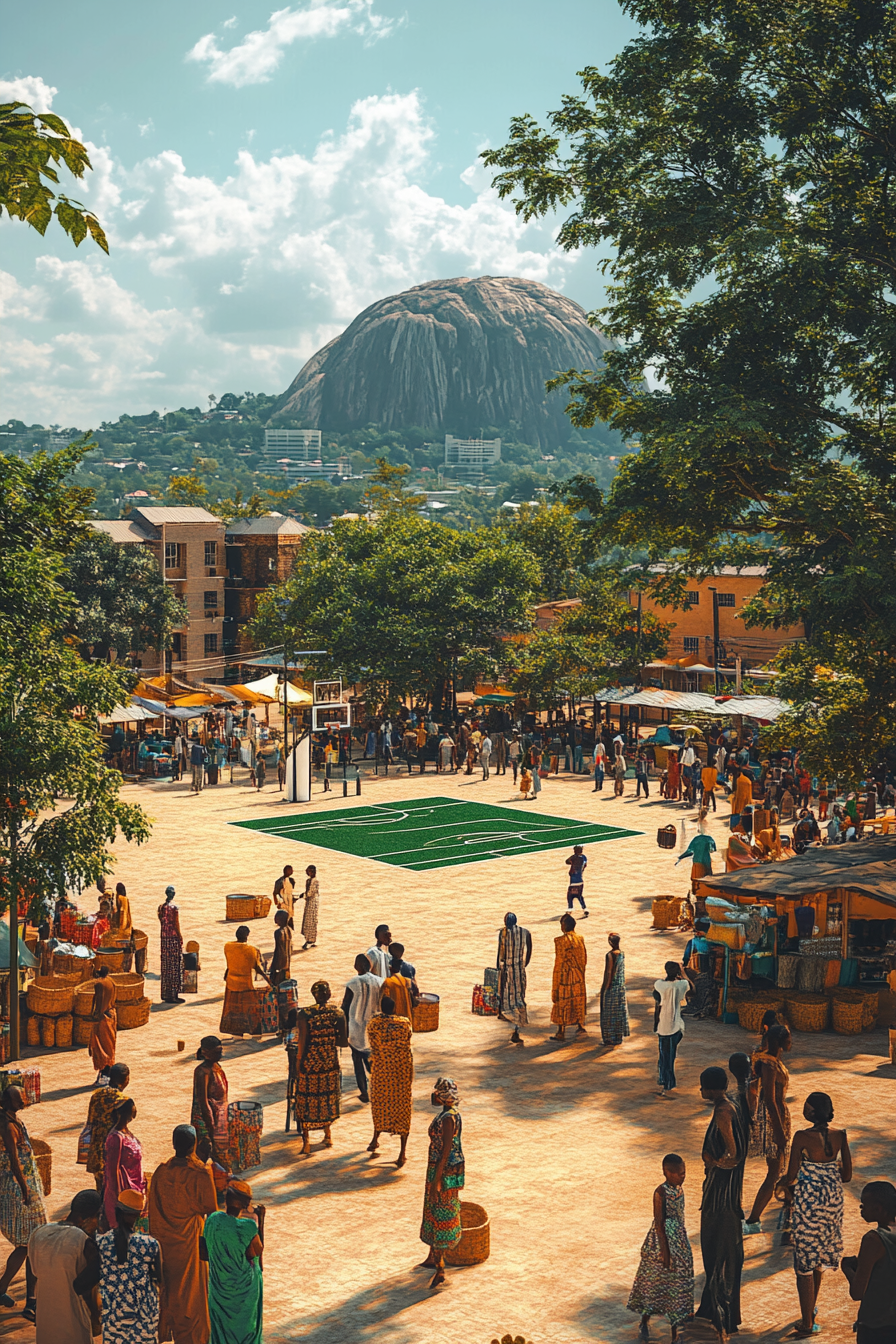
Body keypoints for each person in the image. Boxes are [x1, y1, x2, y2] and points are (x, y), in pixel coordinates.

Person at [779, 1093, 852, 1338]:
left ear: (811, 1112)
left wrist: (783, 1184)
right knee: (819, 1257)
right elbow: (847, 1176)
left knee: (804, 1262)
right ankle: (810, 1310)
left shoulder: (801, 1137)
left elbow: (791, 1176)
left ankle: (807, 1322)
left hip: (808, 1204)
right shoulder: (840, 1136)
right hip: (833, 1203)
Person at [147, 1123, 218, 1344]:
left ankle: (168, 1330)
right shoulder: (200, 1173)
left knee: (170, 1289)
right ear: (194, 1145)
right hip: (190, 1244)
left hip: (165, 1244)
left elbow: (153, 1207)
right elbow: (211, 1211)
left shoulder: (161, 1171)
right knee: (192, 1297)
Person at [696, 1066, 746, 1342]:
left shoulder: (723, 1112)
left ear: (713, 1089)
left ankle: (720, 1315)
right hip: (728, 1192)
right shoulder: (733, 1104)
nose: (701, 1091)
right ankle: (712, 1311)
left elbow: (733, 1153)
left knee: (717, 1251)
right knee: (723, 1251)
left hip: (720, 1194)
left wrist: (715, 1162)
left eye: (703, 1087)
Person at [75, 1189, 160, 1344]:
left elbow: (80, 1285)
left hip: (115, 1328)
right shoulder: (151, 1245)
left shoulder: (101, 1244)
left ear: (116, 1211)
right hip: (145, 1326)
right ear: (139, 1215)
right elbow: (159, 1282)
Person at [627, 1154, 693, 1342]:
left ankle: (674, 1333)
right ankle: (644, 1320)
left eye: (684, 1173)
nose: (683, 1177)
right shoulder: (660, 1193)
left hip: (678, 1243)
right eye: (679, 1173)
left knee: (675, 1288)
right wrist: (665, 1253)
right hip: (661, 1245)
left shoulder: (679, 1190)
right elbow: (659, 1223)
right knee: (654, 1285)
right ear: (667, 1172)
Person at [27, 1188, 102, 1342]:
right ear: (85, 1218)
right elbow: (87, 1288)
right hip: (73, 1324)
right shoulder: (82, 1240)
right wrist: (95, 1316)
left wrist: (33, 1303)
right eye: (97, 1217)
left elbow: (33, 1273)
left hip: (45, 1322)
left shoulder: (39, 1233)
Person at [0, 1087, 47, 1312]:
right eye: (19, 1099)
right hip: (19, 1189)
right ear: (7, 1101)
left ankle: (22, 1295)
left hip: (25, 1185)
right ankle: (30, 1301)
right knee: (30, 1243)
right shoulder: (8, 1126)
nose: (24, 1101)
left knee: (29, 1243)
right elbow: (14, 1159)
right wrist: (25, 1189)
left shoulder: (13, 1119)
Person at [744, 1022, 793, 1233]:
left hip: (778, 1118)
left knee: (783, 1169)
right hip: (773, 1120)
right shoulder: (769, 1065)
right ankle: (753, 1220)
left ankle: (788, 1216)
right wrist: (779, 1133)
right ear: (782, 1041)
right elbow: (770, 1100)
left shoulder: (772, 1060)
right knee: (774, 1172)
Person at [202, 1181, 264, 1344]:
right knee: (247, 1333)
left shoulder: (213, 1220)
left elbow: (204, 1251)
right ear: (246, 1204)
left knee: (221, 1333)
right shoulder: (248, 1227)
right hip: (245, 1292)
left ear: (226, 1198)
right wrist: (260, 1222)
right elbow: (255, 1252)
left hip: (218, 1291)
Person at [419, 1077, 464, 1290]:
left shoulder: (448, 1119)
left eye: (436, 1092)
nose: (433, 1095)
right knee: (434, 1210)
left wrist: (437, 1180)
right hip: (441, 1169)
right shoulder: (449, 1113)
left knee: (440, 1212)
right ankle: (432, 1257)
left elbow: (445, 1150)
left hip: (442, 1171)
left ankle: (440, 1267)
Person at [293, 980, 348, 1156]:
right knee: (327, 1097)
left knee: (306, 1099)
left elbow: (302, 1040)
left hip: (310, 1062)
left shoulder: (305, 1014)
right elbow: (343, 1041)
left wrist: (299, 1061)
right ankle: (327, 1134)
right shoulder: (338, 1013)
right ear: (329, 994)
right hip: (329, 1062)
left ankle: (307, 1142)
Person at [841, 1180, 896, 1344]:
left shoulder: (873, 1240)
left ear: (878, 1209)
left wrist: (848, 1269)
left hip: (876, 1327)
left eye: (864, 1204)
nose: (861, 1208)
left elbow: (857, 1292)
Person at [366, 994, 413, 1167]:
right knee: (402, 1107)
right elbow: (408, 1041)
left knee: (380, 1105)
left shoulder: (374, 1024)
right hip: (401, 1070)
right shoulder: (404, 1023)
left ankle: (375, 1138)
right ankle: (402, 1153)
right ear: (394, 1009)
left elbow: (373, 1045)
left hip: (382, 1071)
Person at [341, 952, 384, 1103]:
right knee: (371, 1059)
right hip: (374, 1027)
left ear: (356, 966)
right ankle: (378, 1088)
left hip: (356, 1027)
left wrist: (343, 1028)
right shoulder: (380, 981)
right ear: (370, 966)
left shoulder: (352, 983)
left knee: (357, 1060)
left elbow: (345, 1006)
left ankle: (364, 1091)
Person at [84, 1061, 130, 1193]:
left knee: (100, 1187)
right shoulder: (123, 1101)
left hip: (96, 1150)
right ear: (126, 1079)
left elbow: (91, 1120)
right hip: (113, 1152)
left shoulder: (96, 1095)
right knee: (112, 1192)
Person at [103, 1098, 145, 1231]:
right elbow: (112, 1169)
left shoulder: (127, 1133)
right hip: (123, 1189)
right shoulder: (116, 1138)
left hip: (135, 1186)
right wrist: (117, 1195)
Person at [220, 925, 270, 1036]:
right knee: (250, 1009)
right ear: (247, 936)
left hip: (231, 983)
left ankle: (236, 1031)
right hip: (245, 985)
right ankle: (253, 1030)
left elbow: (232, 962)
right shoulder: (252, 949)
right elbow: (257, 968)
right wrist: (269, 981)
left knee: (233, 1008)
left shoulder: (228, 946)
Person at [192, 1037, 231, 1171]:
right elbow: (203, 1102)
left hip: (219, 1117)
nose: (219, 1055)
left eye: (220, 1051)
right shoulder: (203, 1072)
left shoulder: (217, 1067)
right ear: (205, 1052)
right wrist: (211, 1126)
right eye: (216, 1052)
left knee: (219, 1155)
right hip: (206, 1119)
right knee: (204, 1151)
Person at [653, 961, 689, 1097]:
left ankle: (666, 1080)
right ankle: (666, 1080)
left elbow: (658, 1005)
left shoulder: (659, 985)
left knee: (664, 1055)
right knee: (670, 1055)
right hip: (676, 1027)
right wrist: (684, 974)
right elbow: (693, 989)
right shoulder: (682, 984)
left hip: (663, 1026)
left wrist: (655, 1023)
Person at [550, 913, 587, 1040]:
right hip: (578, 974)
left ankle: (561, 1031)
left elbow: (559, 962)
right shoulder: (580, 938)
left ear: (564, 926)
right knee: (578, 998)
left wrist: (555, 984)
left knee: (563, 1001)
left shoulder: (560, 941)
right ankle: (580, 1024)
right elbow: (583, 958)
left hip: (565, 976)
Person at [496, 912, 531, 1045]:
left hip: (507, 969)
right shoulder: (525, 932)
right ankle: (516, 1027)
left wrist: (498, 967)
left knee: (507, 996)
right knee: (519, 996)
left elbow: (500, 952)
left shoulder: (503, 933)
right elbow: (530, 948)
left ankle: (511, 1024)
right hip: (518, 969)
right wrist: (525, 963)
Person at [600, 933, 630, 1047]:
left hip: (612, 987)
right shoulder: (622, 954)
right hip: (620, 987)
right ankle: (618, 1036)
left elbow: (609, 972)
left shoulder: (610, 955)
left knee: (608, 1013)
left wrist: (604, 987)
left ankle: (609, 1038)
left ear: (610, 942)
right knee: (618, 1012)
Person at [88, 963, 117, 1080]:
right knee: (110, 1045)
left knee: (101, 1047)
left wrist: (95, 1016)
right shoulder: (111, 981)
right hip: (112, 1015)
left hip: (103, 1018)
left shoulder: (99, 984)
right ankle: (107, 1071)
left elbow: (99, 1002)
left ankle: (105, 1073)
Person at [158, 884, 184, 1005]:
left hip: (164, 939)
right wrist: (180, 936)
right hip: (173, 939)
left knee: (166, 965)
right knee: (174, 965)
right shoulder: (174, 908)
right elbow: (176, 924)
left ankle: (166, 994)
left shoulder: (161, 907)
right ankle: (174, 994)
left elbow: (161, 920)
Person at [382, 954, 418, 1025]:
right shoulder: (407, 981)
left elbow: (385, 1001)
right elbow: (416, 992)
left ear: (390, 968)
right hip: (407, 1018)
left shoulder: (388, 982)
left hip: (394, 1018)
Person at [269, 909, 293, 989]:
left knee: (276, 985)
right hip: (287, 962)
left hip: (280, 963)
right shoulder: (288, 930)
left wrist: (273, 966)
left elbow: (278, 950)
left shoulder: (278, 932)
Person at [564, 845, 589, 915]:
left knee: (570, 895)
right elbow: (585, 865)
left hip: (573, 880)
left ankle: (570, 908)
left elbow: (567, 861)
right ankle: (585, 909)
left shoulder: (574, 857)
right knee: (579, 895)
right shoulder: (584, 857)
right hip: (580, 880)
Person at [300, 864, 319, 950]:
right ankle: (308, 939)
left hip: (313, 903)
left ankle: (310, 940)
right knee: (307, 920)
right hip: (308, 902)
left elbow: (310, 893)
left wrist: (301, 896)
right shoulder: (308, 881)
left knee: (311, 921)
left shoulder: (315, 881)